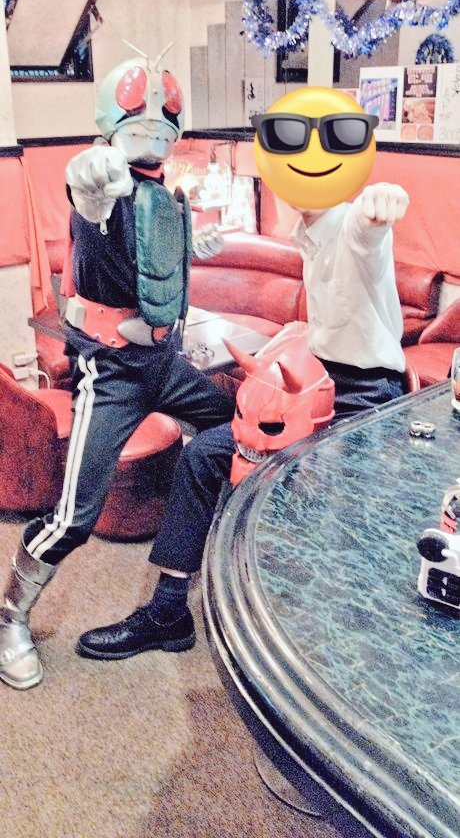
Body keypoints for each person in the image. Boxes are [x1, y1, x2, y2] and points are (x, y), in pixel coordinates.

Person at [75, 176, 410, 663]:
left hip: (366, 395)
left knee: (331, 503)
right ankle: (168, 612)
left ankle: (341, 642)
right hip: (313, 381)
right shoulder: (308, 232)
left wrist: (379, 209)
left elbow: (368, 236)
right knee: (203, 455)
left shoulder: (350, 223)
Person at [0, 54, 235, 691]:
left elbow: (153, 265)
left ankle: (174, 597)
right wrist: (87, 181)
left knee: (237, 431)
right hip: (113, 373)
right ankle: (10, 616)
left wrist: (191, 248)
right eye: (140, 110)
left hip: (166, 362)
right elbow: (91, 193)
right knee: (75, 516)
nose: (153, 120)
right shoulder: (103, 185)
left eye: (164, 111)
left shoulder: (166, 194)